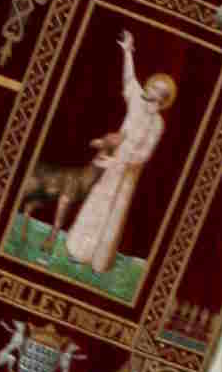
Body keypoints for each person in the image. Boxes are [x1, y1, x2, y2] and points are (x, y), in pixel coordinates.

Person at [65, 30, 176, 279]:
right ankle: (79, 251)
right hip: (113, 165)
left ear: (163, 98)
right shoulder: (137, 101)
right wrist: (127, 51)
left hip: (127, 172)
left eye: (158, 90)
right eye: (152, 86)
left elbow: (146, 153)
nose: (152, 90)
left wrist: (124, 160)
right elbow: (129, 79)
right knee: (97, 203)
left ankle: (98, 262)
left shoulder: (158, 123)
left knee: (115, 212)